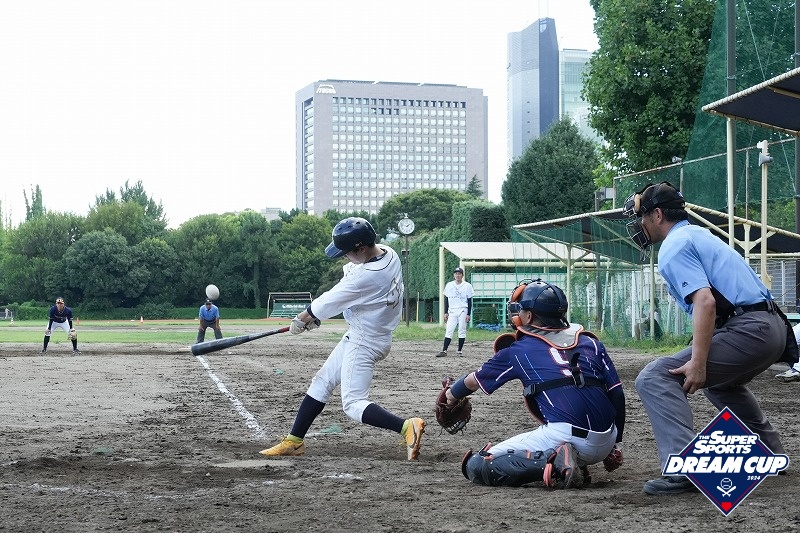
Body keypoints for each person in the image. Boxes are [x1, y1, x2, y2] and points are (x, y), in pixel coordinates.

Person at [625, 181, 797, 495]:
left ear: (658, 214)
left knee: (654, 378)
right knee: (720, 384)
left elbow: (705, 303)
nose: (640, 224)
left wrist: (698, 362)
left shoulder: (674, 246)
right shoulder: (698, 234)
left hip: (749, 329)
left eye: (642, 216)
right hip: (771, 327)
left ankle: (686, 470)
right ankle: (768, 451)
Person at [260, 217, 426, 461]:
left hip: (365, 341)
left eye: (347, 252)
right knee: (322, 381)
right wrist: (315, 317)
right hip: (366, 333)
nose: (345, 257)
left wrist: (302, 319)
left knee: (353, 403)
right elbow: (350, 288)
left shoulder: (366, 277)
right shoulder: (389, 253)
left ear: (362, 248)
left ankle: (406, 427)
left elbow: (329, 300)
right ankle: (294, 441)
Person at [443, 278, 626, 489]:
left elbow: (473, 381)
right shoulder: (591, 343)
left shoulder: (517, 350)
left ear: (529, 316)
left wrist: (451, 395)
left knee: (478, 464)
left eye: (520, 310)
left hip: (564, 435)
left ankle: (556, 464)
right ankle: (572, 459)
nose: (517, 314)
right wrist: (614, 444)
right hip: (608, 439)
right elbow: (617, 395)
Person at [436, 266, 474, 357]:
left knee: (462, 329)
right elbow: (446, 299)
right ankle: (444, 350)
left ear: (462, 275)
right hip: (452, 310)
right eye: (456, 274)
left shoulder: (467, 286)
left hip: (463, 309)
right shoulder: (449, 285)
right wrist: (446, 312)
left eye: (459, 274)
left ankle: (459, 350)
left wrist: (468, 314)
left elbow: (469, 300)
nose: (457, 275)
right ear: (454, 275)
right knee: (449, 329)